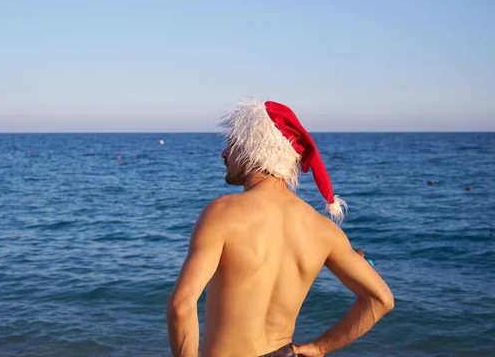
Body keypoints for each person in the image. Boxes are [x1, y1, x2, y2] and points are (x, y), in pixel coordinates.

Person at [167, 99, 394, 357]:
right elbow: (380, 299)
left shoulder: (223, 213)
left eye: (231, 143)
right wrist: (320, 347)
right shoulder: (323, 229)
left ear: (253, 149)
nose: (224, 153)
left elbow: (181, 306)